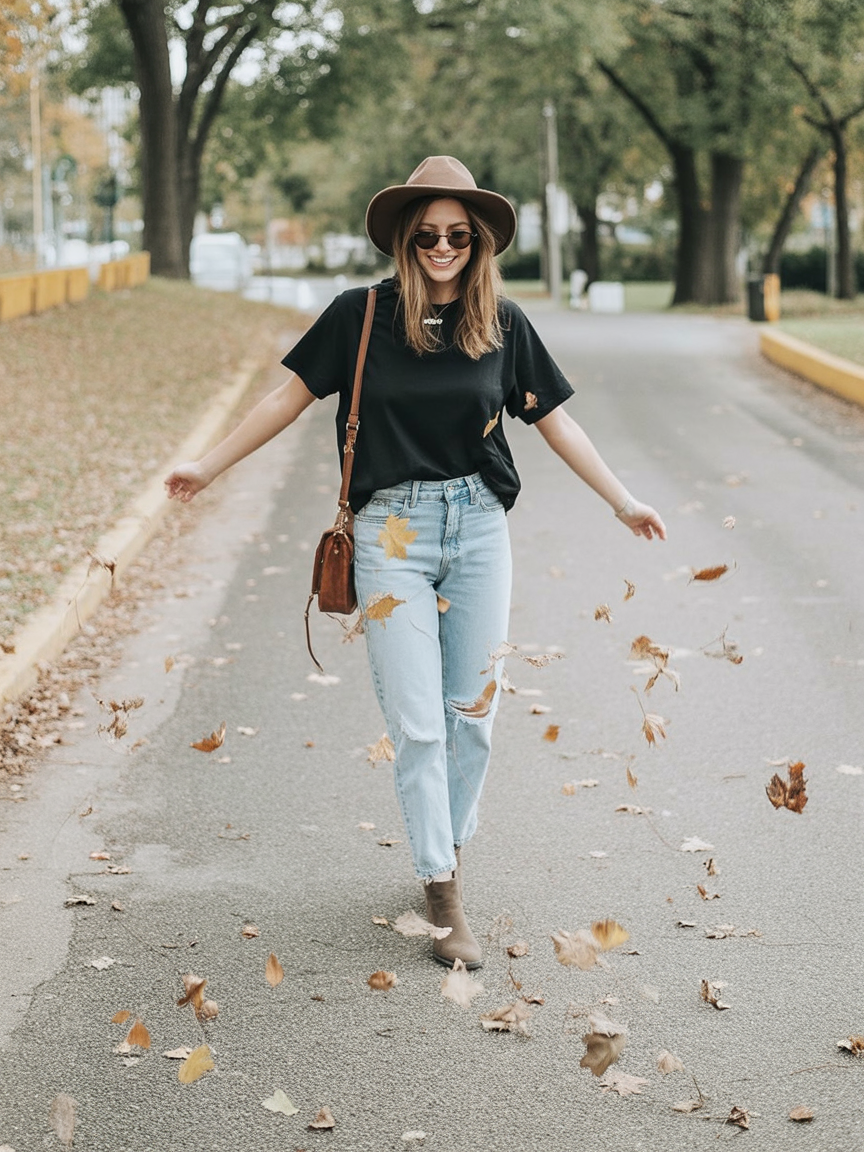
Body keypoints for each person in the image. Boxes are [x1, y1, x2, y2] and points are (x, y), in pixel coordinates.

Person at [165, 156, 666, 971]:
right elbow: (285, 398)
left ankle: (446, 841)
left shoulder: (501, 322)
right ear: (406, 238)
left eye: (457, 235)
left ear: (478, 242)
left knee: (475, 716)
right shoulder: (358, 316)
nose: (442, 246)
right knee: (420, 724)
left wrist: (622, 500)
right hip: (390, 530)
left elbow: (558, 423)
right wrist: (207, 466)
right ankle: (442, 891)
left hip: (476, 524)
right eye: (428, 233)